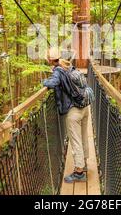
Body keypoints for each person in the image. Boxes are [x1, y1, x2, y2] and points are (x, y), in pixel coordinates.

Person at [43, 48, 90, 183]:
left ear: (50, 60)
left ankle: (79, 173)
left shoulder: (58, 71)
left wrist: (44, 82)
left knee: (75, 141)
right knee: (83, 136)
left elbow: (52, 83)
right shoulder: (68, 65)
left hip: (73, 111)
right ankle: (84, 163)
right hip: (84, 106)